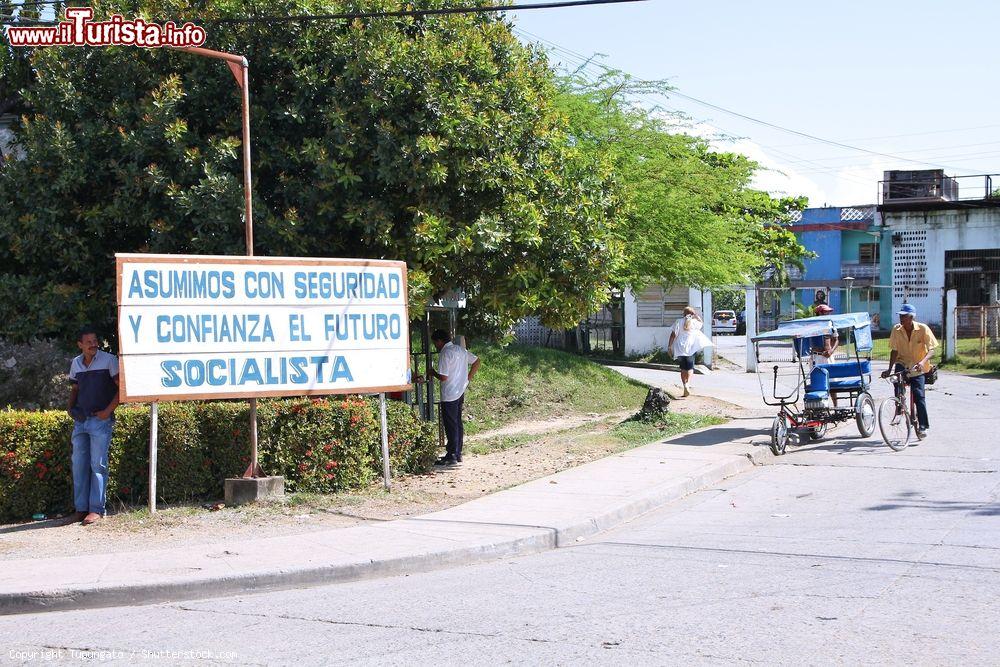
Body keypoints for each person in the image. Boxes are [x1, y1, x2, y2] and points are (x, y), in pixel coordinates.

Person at [67, 327, 120, 525]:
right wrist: (69, 408)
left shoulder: (109, 361)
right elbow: (75, 388)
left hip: (100, 420)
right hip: (80, 421)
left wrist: (107, 411)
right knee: (79, 465)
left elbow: (121, 387)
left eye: (95, 340)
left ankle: (96, 510)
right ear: (80, 344)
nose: (93, 344)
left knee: (98, 465)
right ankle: (81, 509)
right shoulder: (75, 363)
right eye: (88, 342)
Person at [420, 330, 480, 465]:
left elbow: (443, 377)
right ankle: (457, 453)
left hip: (449, 393)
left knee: (450, 424)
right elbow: (477, 361)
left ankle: (451, 454)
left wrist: (432, 372)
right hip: (460, 391)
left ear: (440, 341)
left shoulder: (445, 353)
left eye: (435, 343)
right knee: (457, 423)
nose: (436, 346)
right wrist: (468, 378)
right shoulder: (460, 350)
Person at [881, 304, 938, 439]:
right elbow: (894, 350)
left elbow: (932, 350)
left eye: (904, 316)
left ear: (911, 317)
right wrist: (889, 369)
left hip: (918, 366)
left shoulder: (923, 329)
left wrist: (922, 362)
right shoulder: (896, 329)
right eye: (900, 316)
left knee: (919, 396)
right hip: (902, 363)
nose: (901, 319)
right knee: (897, 383)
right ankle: (899, 409)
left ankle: (923, 425)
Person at [667, 306, 712, 397]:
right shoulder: (694, 322)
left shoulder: (678, 322)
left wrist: (669, 346)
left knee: (683, 368)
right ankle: (688, 384)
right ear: (692, 314)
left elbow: (673, 335)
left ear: (683, 314)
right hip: (690, 348)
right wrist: (696, 316)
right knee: (690, 368)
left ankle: (684, 385)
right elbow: (701, 322)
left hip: (680, 348)